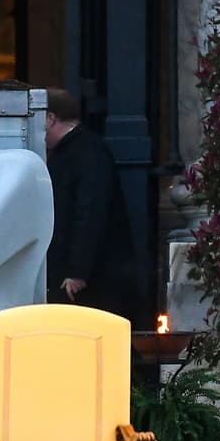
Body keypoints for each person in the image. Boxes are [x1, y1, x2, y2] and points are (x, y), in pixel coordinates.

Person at [44, 88, 137, 318]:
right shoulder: (75, 151)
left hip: (89, 280)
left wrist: (78, 270)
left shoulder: (87, 152)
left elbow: (90, 212)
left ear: (50, 118)